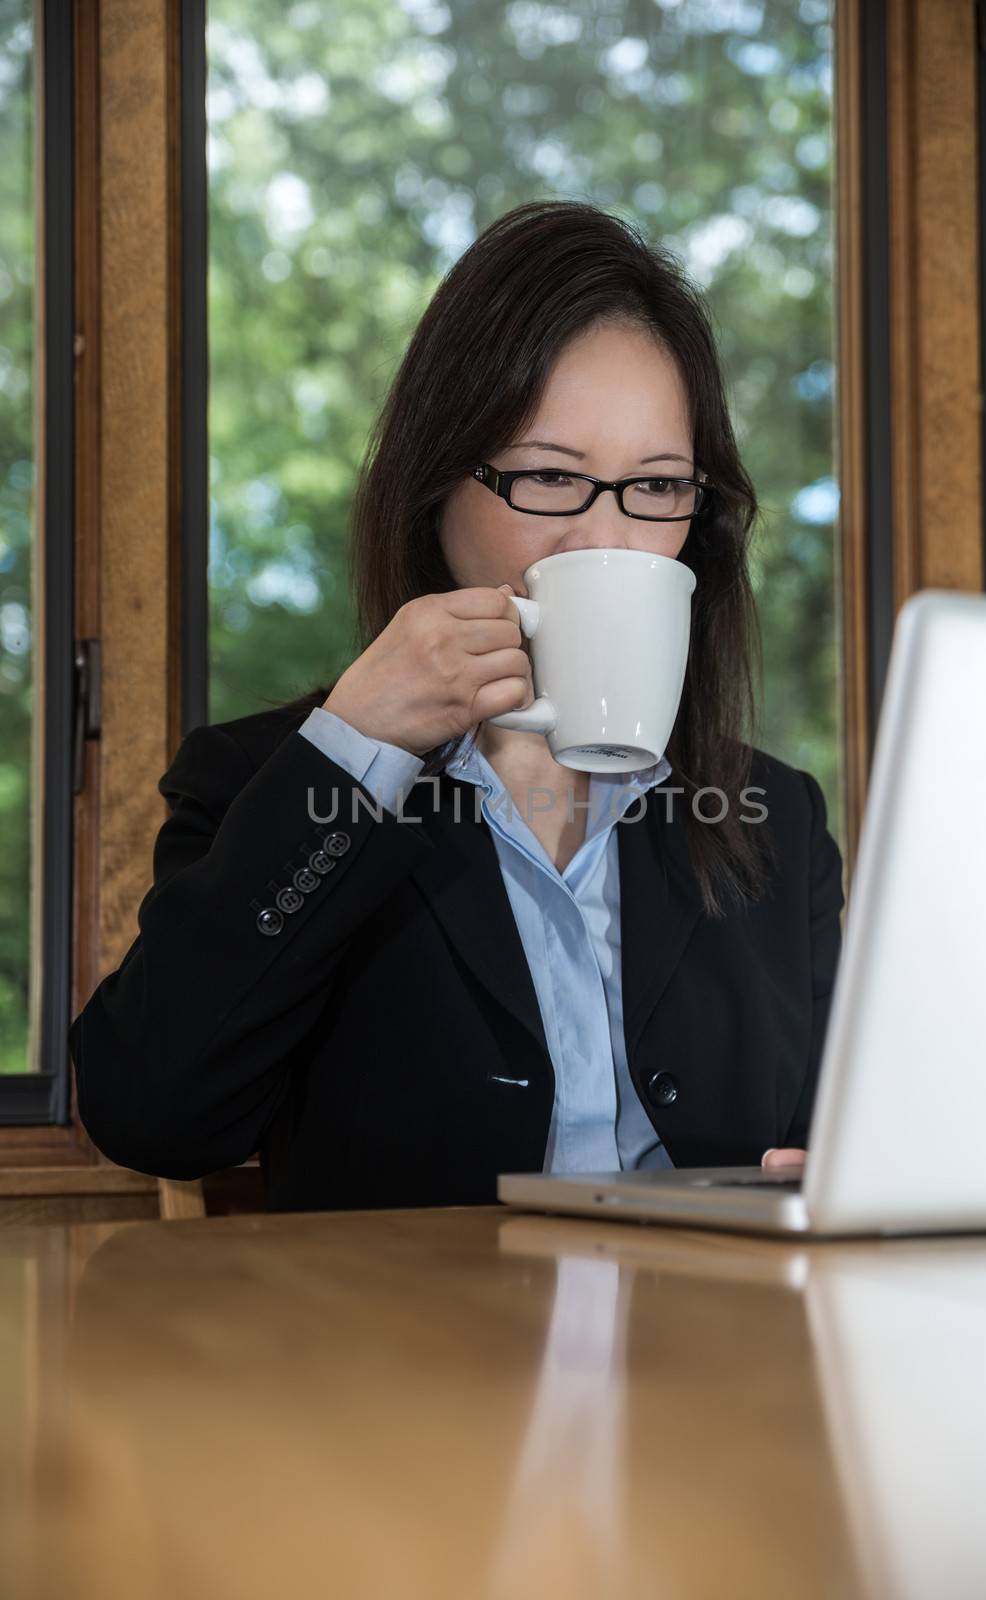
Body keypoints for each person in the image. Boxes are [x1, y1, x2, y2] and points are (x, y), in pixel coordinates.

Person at [68, 199, 845, 1213]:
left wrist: (827, 1168)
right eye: (550, 478)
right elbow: (150, 1115)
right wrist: (361, 749)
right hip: (417, 1362)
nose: (604, 538)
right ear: (438, 488)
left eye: (656, 487)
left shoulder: (771, 818)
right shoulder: (281, 781)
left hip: (705, 1354)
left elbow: (841, 1130)